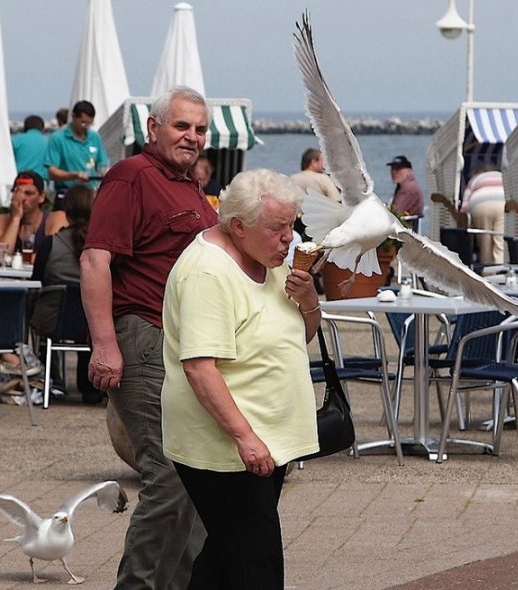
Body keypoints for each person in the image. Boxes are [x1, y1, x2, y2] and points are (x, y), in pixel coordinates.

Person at [80, 85, 216, 590]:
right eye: (182, 126)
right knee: (170, 474)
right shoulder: (131, 176)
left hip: (186, 344)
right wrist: (104, 344)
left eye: (200, 129)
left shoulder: (188, 186)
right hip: (143, 334)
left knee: (197, 474)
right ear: (154, 128)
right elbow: (94, 260)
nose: (192, 136)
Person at [161, 168, 319, 589]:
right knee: (256, 561)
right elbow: (199, 367)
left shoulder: (272, 262)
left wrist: (309, 300)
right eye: (277, 228)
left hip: (268, 435)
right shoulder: (208, 272)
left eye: (291, 225)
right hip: (227, 444)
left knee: (226, 556)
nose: (289, 238)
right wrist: (245, 437)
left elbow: (298, 336)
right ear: (237, 226)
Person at [29, 184, 103, 404]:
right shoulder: (101, 246)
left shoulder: (51, 244)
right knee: (87, 318)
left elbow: (36, 283)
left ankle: (49, 378)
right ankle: (90, 387)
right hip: (93, 320)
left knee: (36, 310)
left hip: (53, 319)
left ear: (66, 212)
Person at [44, 100, 109, 211]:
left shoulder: (95, 137)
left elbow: (103, 164)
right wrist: (74, 175)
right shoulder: (58, 138)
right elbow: (52, 172)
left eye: (89, 123)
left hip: (90, 194)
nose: (86, 126)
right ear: (73, 117)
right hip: (67, 193)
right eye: (83, 122)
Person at [0, 170, 57, 256]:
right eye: (17, 192)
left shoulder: (54, 219)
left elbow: (54, 255)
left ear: (41, 197)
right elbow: (0, 256)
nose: (22, 198)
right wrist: (15, 218)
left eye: (28, 193)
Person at [460, 165, 505, 265]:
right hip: (502, 202)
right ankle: (500, 269)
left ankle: (486, 269)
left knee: (485, 244)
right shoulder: (501, 176)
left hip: (479, 203)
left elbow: (464, 207)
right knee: (500, 242)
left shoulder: (474, 179)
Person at [387, 155, 423, 232]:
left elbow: (396, 212)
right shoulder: (405, 186)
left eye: (398, 169)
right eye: (392, 168)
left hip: (403, 231)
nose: (394, 172)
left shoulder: (408, 188)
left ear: (409, 171)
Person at [11, 115, 49, 180]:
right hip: (41, 179)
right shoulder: (48, 142)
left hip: (20, 178)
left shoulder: (15, 140)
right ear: (42, 128)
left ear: (25, 127)